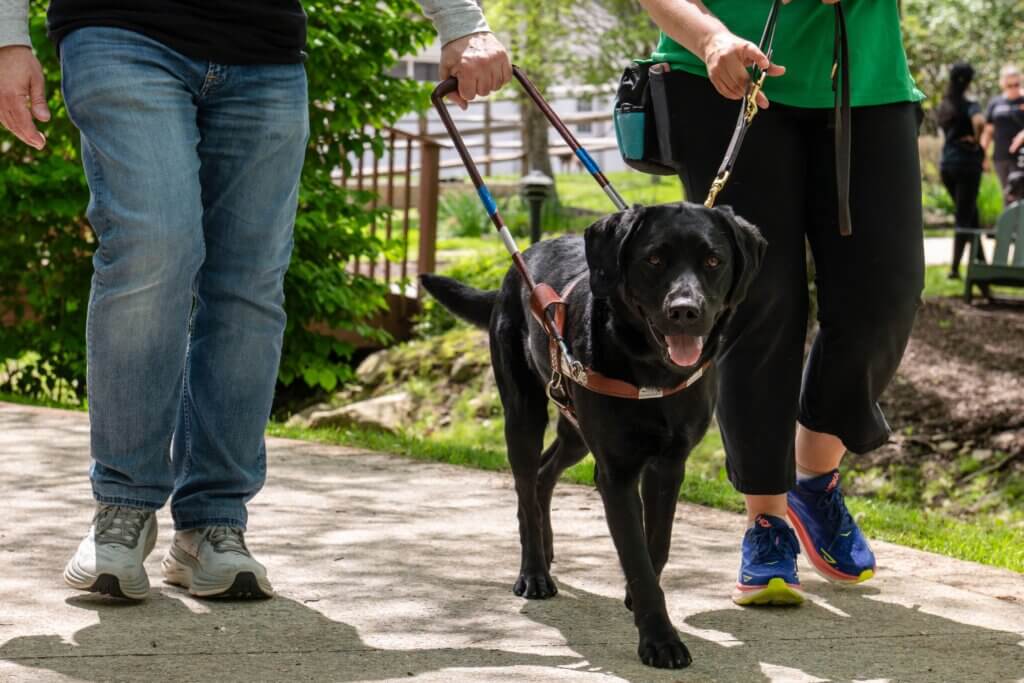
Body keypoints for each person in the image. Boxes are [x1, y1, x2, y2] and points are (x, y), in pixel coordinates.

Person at [0, 0, 510, 601]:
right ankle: (124, 509)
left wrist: (461, 22)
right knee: (152, 249)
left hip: (263, 49)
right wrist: (8, 35)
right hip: (118, 28)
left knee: (249, 285)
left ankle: (212, 523)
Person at [636, 0, 924, 605]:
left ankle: (814, 476)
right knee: (758, 297)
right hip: (721, 74)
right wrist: (710, 38)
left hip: (866, 82)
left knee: (886, 293)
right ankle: (765, 519)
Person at [936, 63, 985, 279]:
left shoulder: (945, 105)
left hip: (947, 165)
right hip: (967, 164)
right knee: (964, 217)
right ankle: (955, 269)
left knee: (971, 216)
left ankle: (983, 266)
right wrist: (976, 138)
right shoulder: (969, 104)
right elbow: (980, 121)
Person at [980, 64, 1024, 192]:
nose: (1013, 88)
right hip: (1001, 156)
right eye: (1009, 85)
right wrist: (983, 155)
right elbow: (988, 132)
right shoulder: (995, 103)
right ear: (1002, 84)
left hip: (1021, 157)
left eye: (1016, 84)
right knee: (1007, 194)